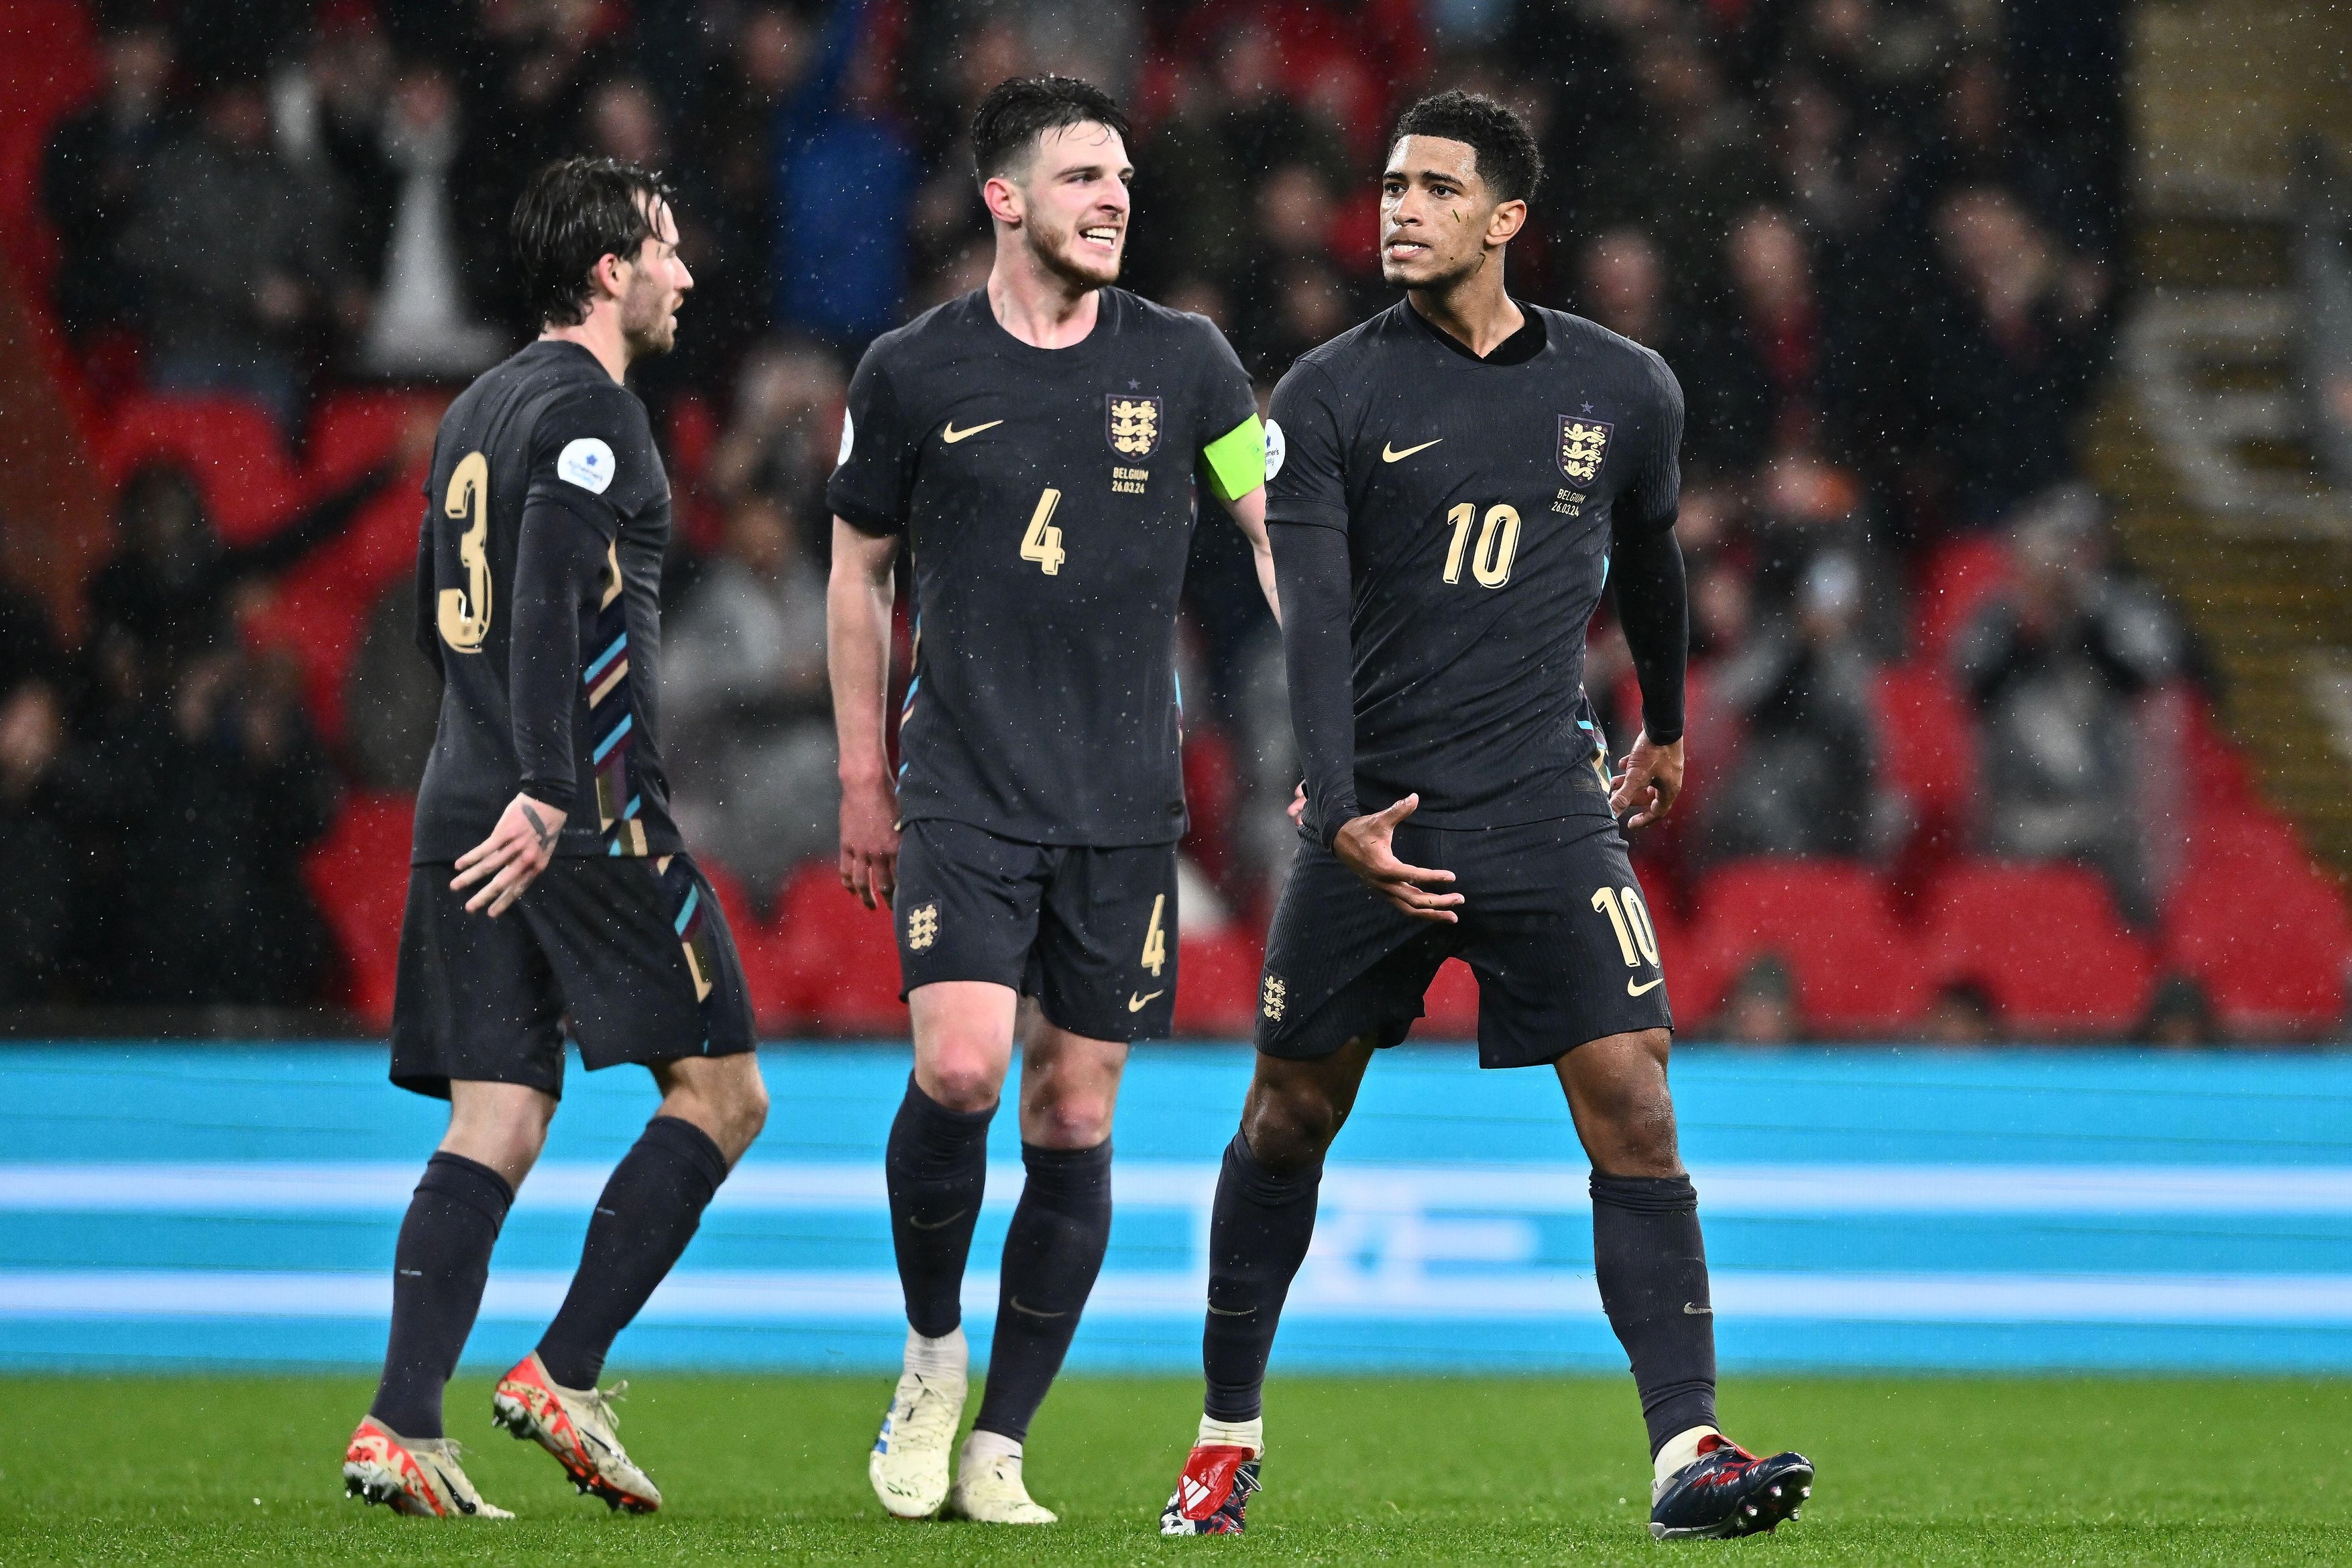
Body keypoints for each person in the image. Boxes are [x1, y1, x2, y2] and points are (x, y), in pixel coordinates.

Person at [1158, 91, 1812, 1543]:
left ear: (1505, 219)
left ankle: (1686, 1447)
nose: (1396, 207)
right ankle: (1222, 1434)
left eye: (1432, 188)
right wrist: (1333, 808)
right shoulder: (1322, 396)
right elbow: (1309, 623)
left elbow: (1649, 555)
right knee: (1285, 1113)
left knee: (1636, 1096)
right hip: (1375, 805)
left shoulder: (1623, 388)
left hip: (1542, 796)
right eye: (1387, 185)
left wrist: (1667, 719)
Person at [828, 76, 1275, 1526]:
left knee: (1072, 1114)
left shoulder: (1194, 365)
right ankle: (930, 1351)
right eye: (1083, 175)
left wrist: (1342, 684)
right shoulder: (909, 370)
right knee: (961, 1068)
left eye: (1125, 178)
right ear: (1003, 198)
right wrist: (859, 773)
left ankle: (999, 1441)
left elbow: (1268, 527)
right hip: (960, 776)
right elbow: (855, 574)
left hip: (1122, 797)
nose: (1114, 198)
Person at [341, 157, 768, 1520]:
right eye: (666, 248)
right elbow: (541, 591)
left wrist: (485, 767)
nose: (685, 274)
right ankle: (564, 1368)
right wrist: (547, 784)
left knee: (501, 1113)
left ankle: (404, 1417)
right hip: (574, 802)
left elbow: (437, 612)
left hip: (461, 793)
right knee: (725, 1093)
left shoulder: (473, 407)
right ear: (606, 270)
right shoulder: (596, 412)